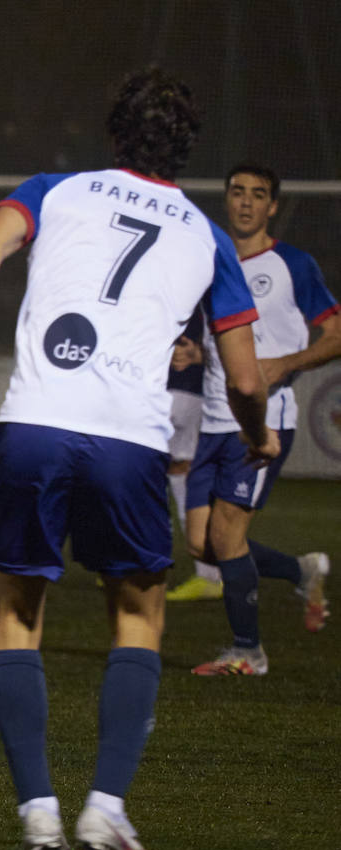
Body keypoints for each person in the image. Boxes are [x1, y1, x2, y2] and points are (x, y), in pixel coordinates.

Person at [0, 67, 277, 850]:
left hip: (34, 425)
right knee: (139, 617)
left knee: (17, 616)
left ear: (115, 134)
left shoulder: (53, 189)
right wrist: (259, 436)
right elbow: (246, 380)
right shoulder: (208, 237)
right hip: (129, 441)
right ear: (185, 150)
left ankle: (39, 816)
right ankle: (105, 807)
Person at [185, 163, 339, 675]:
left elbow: (336, 334)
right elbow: (227, 341)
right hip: (211, 419)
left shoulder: (294, 264)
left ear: (272, 206)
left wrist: (285, 364)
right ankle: (300, 570)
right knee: (201, 543)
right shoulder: (208, 260)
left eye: (258, 195)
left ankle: (248, 650)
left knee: (227, 539)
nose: (246, 202)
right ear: (226, 199)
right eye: (237, 192)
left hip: (262, 421)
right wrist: (195, 353)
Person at [162, 310, 224, 601]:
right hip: (172, 388)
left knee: (178, 468)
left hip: (184, 389)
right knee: (162, 468)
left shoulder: (195, 293)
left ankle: (209, 573)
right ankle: (142, 560)